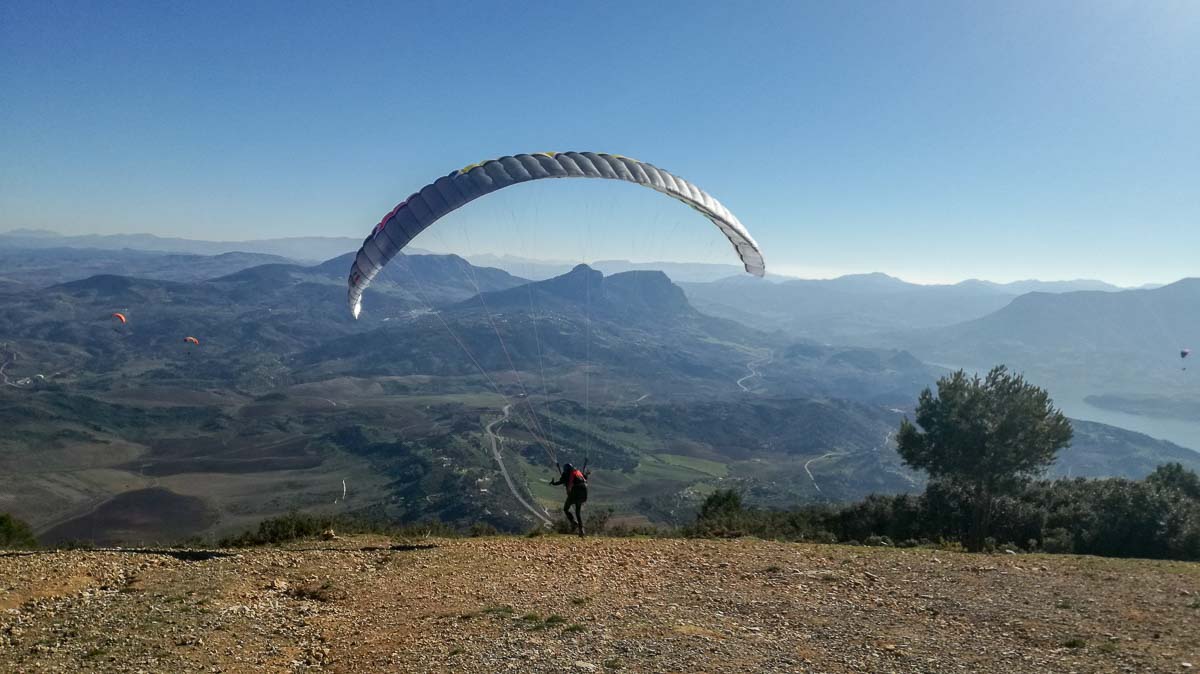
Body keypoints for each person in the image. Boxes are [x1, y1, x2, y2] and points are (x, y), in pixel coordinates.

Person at [550, 463, 588, 536]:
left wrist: (553, 483)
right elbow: (585, 478)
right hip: (584, 493)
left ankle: (574, 523)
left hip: (575, 493)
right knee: (578, 513)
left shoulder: (567, 474)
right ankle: (581, 530)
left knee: (566, 509)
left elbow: (561, 481)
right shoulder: (578, 472)